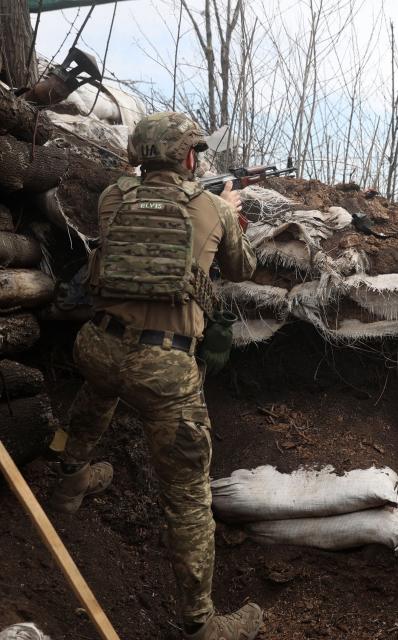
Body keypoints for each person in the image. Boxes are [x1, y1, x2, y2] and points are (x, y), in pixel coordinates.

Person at [48, 112, 262, 639]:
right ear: (189, 157)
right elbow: (242, 270)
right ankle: (200, 624)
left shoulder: (111, 201)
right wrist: (232, 215)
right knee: (188, 495)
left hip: (98, 344)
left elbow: (140, 206)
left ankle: (68, 482)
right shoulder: (212, 209)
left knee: (96, 400)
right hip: (163, 367)